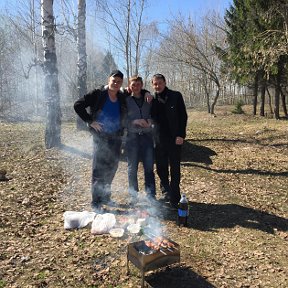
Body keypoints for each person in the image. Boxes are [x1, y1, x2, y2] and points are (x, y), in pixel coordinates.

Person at [74, 70, 126, 209]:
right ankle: (96, 202)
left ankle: (106, 197)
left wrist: (146, 93)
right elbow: (78, 105)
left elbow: (137, 90)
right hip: (101, 137)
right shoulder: (98, 93)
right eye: (113, 80)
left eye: (119, 81)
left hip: (116, 137)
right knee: (99, 169)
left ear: (121, 83)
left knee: (112, 168)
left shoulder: (121, 96)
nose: (115, 83)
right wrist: (90, 121)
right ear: (108, 80)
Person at [151, 73, 187, 208]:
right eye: (155, 83)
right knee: (161, 168)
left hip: (174, 139)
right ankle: (166, 191)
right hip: (158, 139)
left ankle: (175, 196)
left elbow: (183, 116)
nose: (157, 86)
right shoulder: (151, 99)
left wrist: (181, 135)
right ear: (152, 85)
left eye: (160, 83)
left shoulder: (176, 96)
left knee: (175, 168)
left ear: (165, 82)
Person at [125, 75, 156, 202]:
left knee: (149, 167)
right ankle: (133, 196)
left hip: (147, 137)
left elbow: (156, 115)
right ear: (129, 86)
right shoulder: (125, 100)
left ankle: (151, 196)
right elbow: (122, 119)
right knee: (132, 168)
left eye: (138, 85)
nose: (136, 87)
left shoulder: (149, 99)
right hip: (132, 138)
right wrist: (134, 121)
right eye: (133, 85)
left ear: (142, 85)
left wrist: (150, 121)